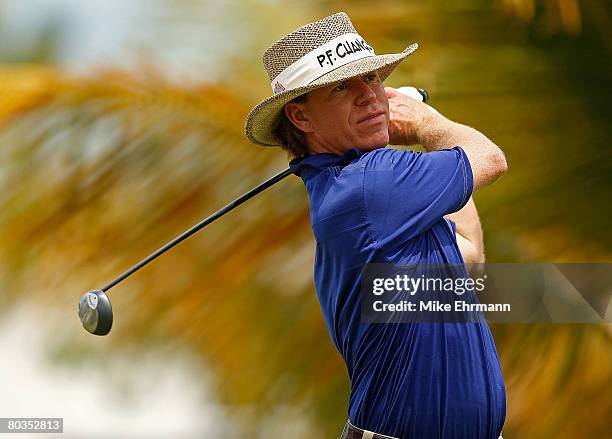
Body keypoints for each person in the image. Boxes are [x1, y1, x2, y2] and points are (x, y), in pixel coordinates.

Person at [245, 12, 507, 439]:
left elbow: (469, 252)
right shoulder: (371, 183)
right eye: (343, 87)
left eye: (371, 79)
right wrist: (425, 122)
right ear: (301, 117)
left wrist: (430, 136)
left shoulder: (372, 192)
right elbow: (490, 158)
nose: (369, 96)